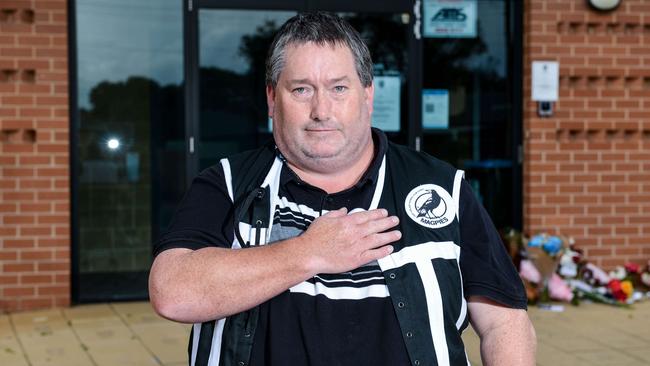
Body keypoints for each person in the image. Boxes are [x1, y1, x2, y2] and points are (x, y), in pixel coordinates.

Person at [149, 12, 536, 366]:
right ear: (272, 98)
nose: (321, 110)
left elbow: (505, 322)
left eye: (338, 88)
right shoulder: (230, 185)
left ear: (368, 95)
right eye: (301, 90)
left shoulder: (440, 188)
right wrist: (309, 253)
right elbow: (172, 291)